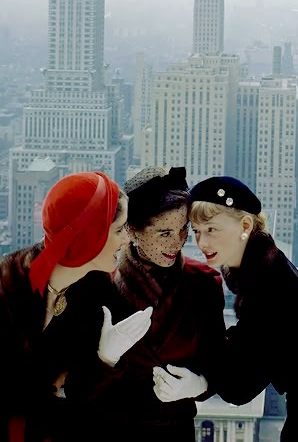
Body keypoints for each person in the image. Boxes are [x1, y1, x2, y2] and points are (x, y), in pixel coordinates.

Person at [0, 171, 153, 442]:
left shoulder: (93, 291)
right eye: (119, 230)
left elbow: (76, 392)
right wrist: (10, 399)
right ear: (89, 235)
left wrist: (106, 358)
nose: (127, 239)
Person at [153, 175, 298, 442]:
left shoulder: (266, 288)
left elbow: (239, 387)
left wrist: (202, 376)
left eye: (211, 229)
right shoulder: (266, 268)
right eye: (197, 232)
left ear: (245, 225)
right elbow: (253, 343)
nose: (202, 243)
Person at [65, 166, 226, 442]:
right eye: (164, 233)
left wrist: (200, 384)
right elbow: (75, 390)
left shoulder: (204, 284)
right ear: (132, 230)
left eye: (183, 229)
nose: (177, 243)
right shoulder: (95, 284)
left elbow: (218, 364)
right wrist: (105, 359)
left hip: (176, 434)